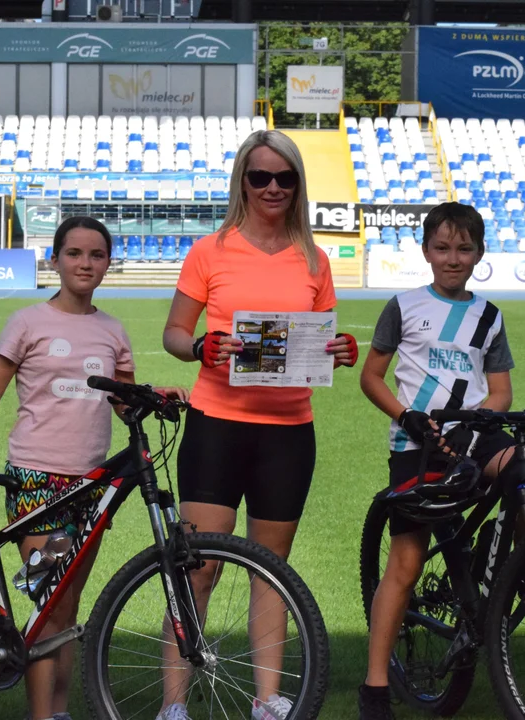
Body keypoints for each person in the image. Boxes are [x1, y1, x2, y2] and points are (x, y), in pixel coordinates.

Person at [0, 216, 187, 720]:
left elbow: (123, 399)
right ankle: (41, 715)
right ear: (55, 259)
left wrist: (156, 396)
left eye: (96, 255)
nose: (85, 263)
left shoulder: (112, 329)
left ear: (108, 264)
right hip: (36, 479)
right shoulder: (28, 322)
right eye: (74, 253)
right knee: (47, 605)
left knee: (66, 609)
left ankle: (59, 711)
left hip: (90, 486)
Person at [159, 130, 358, 720]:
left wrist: (339, 349)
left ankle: (266, 698)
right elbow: (172, 334)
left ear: (298, 185)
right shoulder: (209, 251)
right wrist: (200, 347)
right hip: (216, 425)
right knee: (200, 566)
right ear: (241, 181)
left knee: (271, 567)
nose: (273, 187)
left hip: (289, 432)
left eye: (285, 178)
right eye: (260, 177)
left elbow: (317, 342)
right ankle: (173, 702)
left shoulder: (314, 259)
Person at [357, 202, 517, 720]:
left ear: (479, 253)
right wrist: (407, 417)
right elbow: (371, 377)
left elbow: (501, 392)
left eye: (464, 249)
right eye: (443, 248)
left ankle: (498, 558)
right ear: (426, 251)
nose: (453, 258)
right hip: (417, 445)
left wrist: (475, 422)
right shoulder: (403, 306)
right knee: (404, 565)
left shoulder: (489, 316)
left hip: (474, 437)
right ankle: (375, 687)